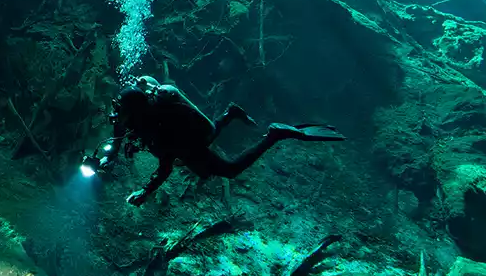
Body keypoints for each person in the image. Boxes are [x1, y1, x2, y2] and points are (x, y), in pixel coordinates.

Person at [89, 76, 344, 205]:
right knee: (206, 140)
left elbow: (165, 166)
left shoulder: (158, 128)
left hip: (187, 143)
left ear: (135, 111)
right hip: (189, 139)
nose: (116, 115)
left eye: (121, 110)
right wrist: (108, 157)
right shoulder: (134, 118)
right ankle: (230, 114)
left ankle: (275, 134)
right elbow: (118, 133)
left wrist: (145, 191)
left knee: (229, 170)